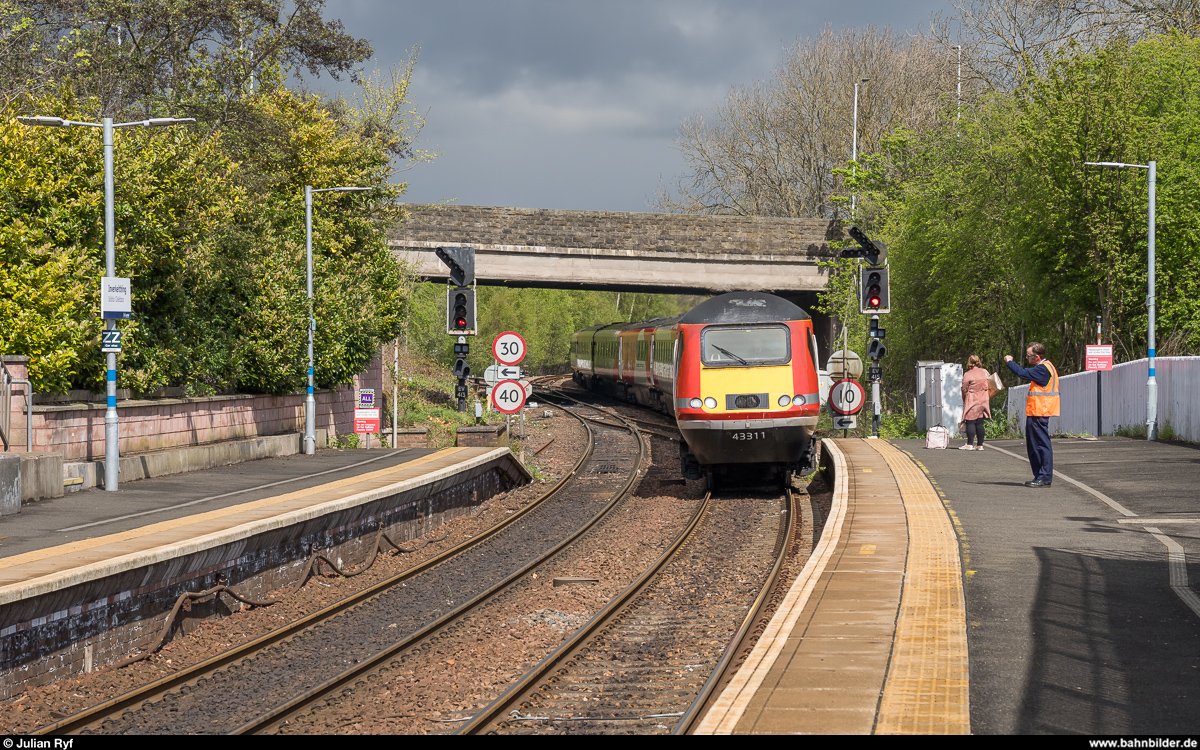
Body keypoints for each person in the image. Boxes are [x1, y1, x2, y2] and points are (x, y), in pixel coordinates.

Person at [1004, 342, 1059, 487]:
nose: (1027, 358)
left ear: (1036, 357)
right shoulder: (1046, 367)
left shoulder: (1042, 369)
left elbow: (1022, 373)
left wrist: (1009, 362)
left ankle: (1044, 476)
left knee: (1040, 445)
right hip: (1038, 411)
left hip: (1039, 411)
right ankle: (1040, 476)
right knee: (1035, 444)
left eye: (1028, 356)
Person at [958, 355, 992, 450]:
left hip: (972, 399)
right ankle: (980, 445)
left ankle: (969, 444)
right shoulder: (984, 372)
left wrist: (964, 398)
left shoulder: (968, 374)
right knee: (980, 422)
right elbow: (990, 383)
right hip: (983, 399)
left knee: (970, 421)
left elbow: (964, 388)